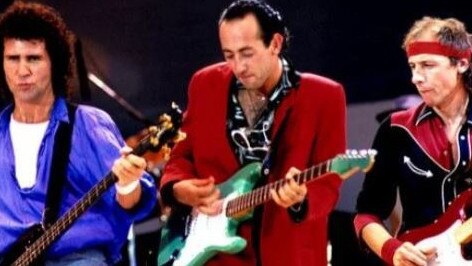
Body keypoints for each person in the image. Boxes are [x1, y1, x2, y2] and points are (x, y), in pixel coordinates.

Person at [159, 0, 347, 265]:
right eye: (228, 55)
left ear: (275, 44)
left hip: (287, 253)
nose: (238, 67)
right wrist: (179, 189)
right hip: (216, 255)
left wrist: (301, 199)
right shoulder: (204, 83)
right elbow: (181, 156)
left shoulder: (324, 96)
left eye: (247, 53)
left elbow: (328, 184)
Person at [0, 2, 156, 265]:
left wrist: (128, 183)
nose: (22, 71)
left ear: (54, 62)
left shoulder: (88, 124)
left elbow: (131, 204)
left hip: (77, 258)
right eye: (13, 59)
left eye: (34, 58)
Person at [354, 16, 472, 266]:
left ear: (461, 64)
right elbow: (366, 214)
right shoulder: (396, 129)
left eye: (428, 65)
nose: (416, 78)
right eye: (413, 66)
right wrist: (392, 250)